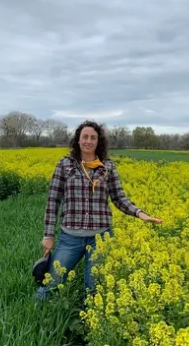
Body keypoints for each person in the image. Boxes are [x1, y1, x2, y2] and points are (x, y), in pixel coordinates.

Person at [35, 120, 163, 302]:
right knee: (50, 284)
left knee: (94, 290)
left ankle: (87, 324)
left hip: (101, 239)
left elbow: (119, 198)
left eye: (93, 137)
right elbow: (53, 201)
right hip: (70, 237)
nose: (88, 141)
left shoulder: (107, 167)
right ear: (78, 140)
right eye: (85, 137)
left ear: (98, 141)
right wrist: (48, 235)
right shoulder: (65, 165)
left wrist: (140, 214)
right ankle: (35, 317)